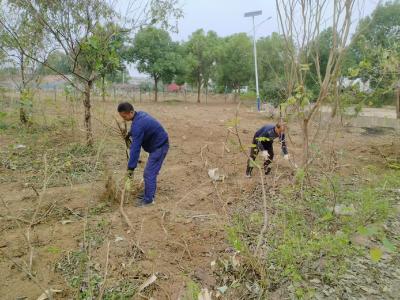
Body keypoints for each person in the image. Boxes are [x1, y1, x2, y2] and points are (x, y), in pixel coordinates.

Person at [117, 102, 169, 206]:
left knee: (149, 173)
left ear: (131, 112)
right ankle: (148, 193)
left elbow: (135, 149)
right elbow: (137, 128)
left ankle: (149, 200)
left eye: (124, 116)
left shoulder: (138, 126)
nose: (124, 119)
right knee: (150, 172)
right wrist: (129, 134)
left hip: (160, 147)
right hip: (158, 145)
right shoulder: (139, 115)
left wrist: (130, 168)